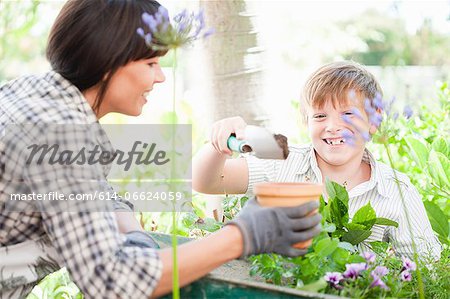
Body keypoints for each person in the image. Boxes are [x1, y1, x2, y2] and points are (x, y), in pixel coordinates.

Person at [0, 0, 322, 298]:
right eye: (152, 63)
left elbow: (81, 188)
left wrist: (125, 223)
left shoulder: (33, 94)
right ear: (108, 61)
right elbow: (112, 282)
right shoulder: (61, 132)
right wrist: (243, 235)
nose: (161, 78)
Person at [193, 61, 441, 260]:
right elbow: (207, 181)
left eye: (348, 114)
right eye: (320, 115)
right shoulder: (283, 162)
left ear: (374, 121)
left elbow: (427, 268)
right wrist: (219, 144)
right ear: (307, 122)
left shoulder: (397, 190)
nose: (333, 127)